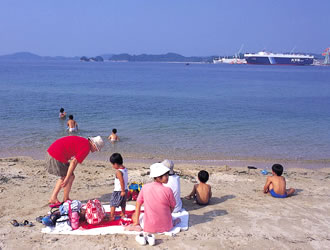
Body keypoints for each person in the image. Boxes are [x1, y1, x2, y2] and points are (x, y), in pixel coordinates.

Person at [46, 136, 104, 206]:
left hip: (54, 150)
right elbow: (73, 162)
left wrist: (68, 176)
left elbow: (72, 157)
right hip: (56, 154)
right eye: (96, 149)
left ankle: (65, 198)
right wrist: (67, 178)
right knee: (66, 177)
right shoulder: (86, 147)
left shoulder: (84, 142)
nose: (95, 151)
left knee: (70, 176)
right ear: (94, 145)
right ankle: (55, 198)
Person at [133, 163, 176, 233]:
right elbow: (172, 206)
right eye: (166, 175)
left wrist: (136, 222)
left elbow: (138, 205)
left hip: (149, 227)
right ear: (159, 177)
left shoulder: (145, 187)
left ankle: (136, 225)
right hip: (167, 226)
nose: (168, 177)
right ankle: (170, 221)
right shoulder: (168, 190)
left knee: (135, 215)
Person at [109, 153, 128, 221]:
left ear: (116, 164)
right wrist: (124, 190)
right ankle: (123, 213)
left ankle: (111, 216)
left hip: (119, 190)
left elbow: (121, 181)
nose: (113, 166)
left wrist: (122, 191)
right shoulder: (125, 169)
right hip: (125, 189)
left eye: (113, 164)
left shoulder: (118, 172)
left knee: (113, 203)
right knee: (123, 203)